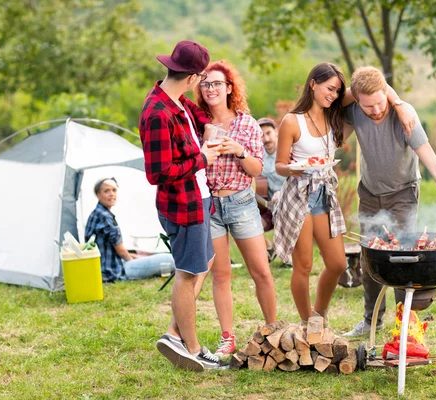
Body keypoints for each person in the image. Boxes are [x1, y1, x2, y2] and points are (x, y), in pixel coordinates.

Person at [342, 66, 436, 337]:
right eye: (368, 106)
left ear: (386, 95)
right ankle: (371, 321)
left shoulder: (406, 118)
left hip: (403, 194)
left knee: (402, 259)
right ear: (357, 101)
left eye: (381, 102)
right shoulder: (354, 111)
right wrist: (392, 97)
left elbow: (435, 166)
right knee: (370, 259)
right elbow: (335, 100)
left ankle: (405, 327)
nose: (377, 110)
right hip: (369, 193)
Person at [139, 40, 227, 370]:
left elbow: (199, 118)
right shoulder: (157, 114)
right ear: (192, 77)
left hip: (198, 199)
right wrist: (201, 158)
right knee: (188, 274)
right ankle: (192, 348)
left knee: (202, 263)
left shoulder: (178, 103)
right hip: (183, 205)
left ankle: (174, 334)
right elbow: (158, 173)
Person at [193, 60, 277, 357]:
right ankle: (227, 337)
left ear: (229, 88)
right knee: (221, 275)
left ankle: (272, 331)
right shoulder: (198, 123)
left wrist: (237, 150)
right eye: (205, 84)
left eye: (216, 83)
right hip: (211, 204)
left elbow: (256, 170)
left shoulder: (247, 124)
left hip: (241, 202)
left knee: (261, 272)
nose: (211, 89)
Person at [272, 62, 350, 325]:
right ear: (312, 83)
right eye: (330, 88)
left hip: (324, 194)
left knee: (338, 263)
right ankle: (308, 323)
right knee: (303, 265)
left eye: (338, 91)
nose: (334, 95)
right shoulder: (292, 121)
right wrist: (293, 169)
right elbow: (279, 166)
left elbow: (359, 91)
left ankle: (320, 313)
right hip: (299, 195)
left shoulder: (332, 116)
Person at [84, 177, 175, 282]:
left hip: (103, 266)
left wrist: (134, 256)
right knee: (170, 260)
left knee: (144, 256)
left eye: (114, 190)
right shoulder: (105, 217)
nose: (111, 194)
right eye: (106, 191)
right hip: (115, 270)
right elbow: (121, 252)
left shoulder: (97, 213)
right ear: (98, 195)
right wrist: (132, 261)